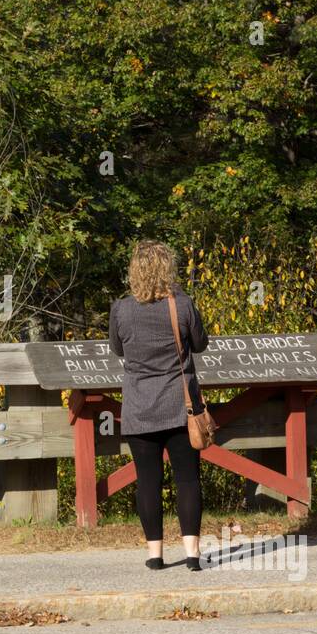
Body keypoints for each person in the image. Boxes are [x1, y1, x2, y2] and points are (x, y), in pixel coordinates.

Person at [108, 240, 209, 570]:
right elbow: (200, 344)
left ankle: (155, 555)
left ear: (133, 271)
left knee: (147, 480)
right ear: (168, 268)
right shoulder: (181, 305)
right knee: (188, 479)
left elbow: (118, 350)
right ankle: (192, 554)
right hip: (181, 407)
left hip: (139, 408)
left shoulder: (121, 309)